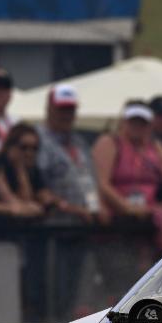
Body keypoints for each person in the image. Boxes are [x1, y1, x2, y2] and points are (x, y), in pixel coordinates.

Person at [93, 101, 162, 251]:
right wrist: (127, 207)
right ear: (124, 122)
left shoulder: (155, 148)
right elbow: (102, 183)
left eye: (142, 122)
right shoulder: (110, 143)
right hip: (115, 224)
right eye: (133, 122)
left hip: (148, 225)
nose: (137, 126)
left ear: (149, 125)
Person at [35, 84, 102, 222]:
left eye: (70, 110)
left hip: (84, 226)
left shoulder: (80, 142)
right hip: (50, 227)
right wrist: (71, 208)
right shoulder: (36, 140)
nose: (66, 115)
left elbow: (88, 179)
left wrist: (95, 208)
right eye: (61, 110)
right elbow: (36, 186)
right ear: (49, 108)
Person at [0, 122, 84, 219]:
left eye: (34, 148)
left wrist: (77, 210)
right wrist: (19, 169)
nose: (29, 153)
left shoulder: (33, 169)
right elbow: (21, 203)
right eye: (24, 147)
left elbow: (45, 196)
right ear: (11, 146)